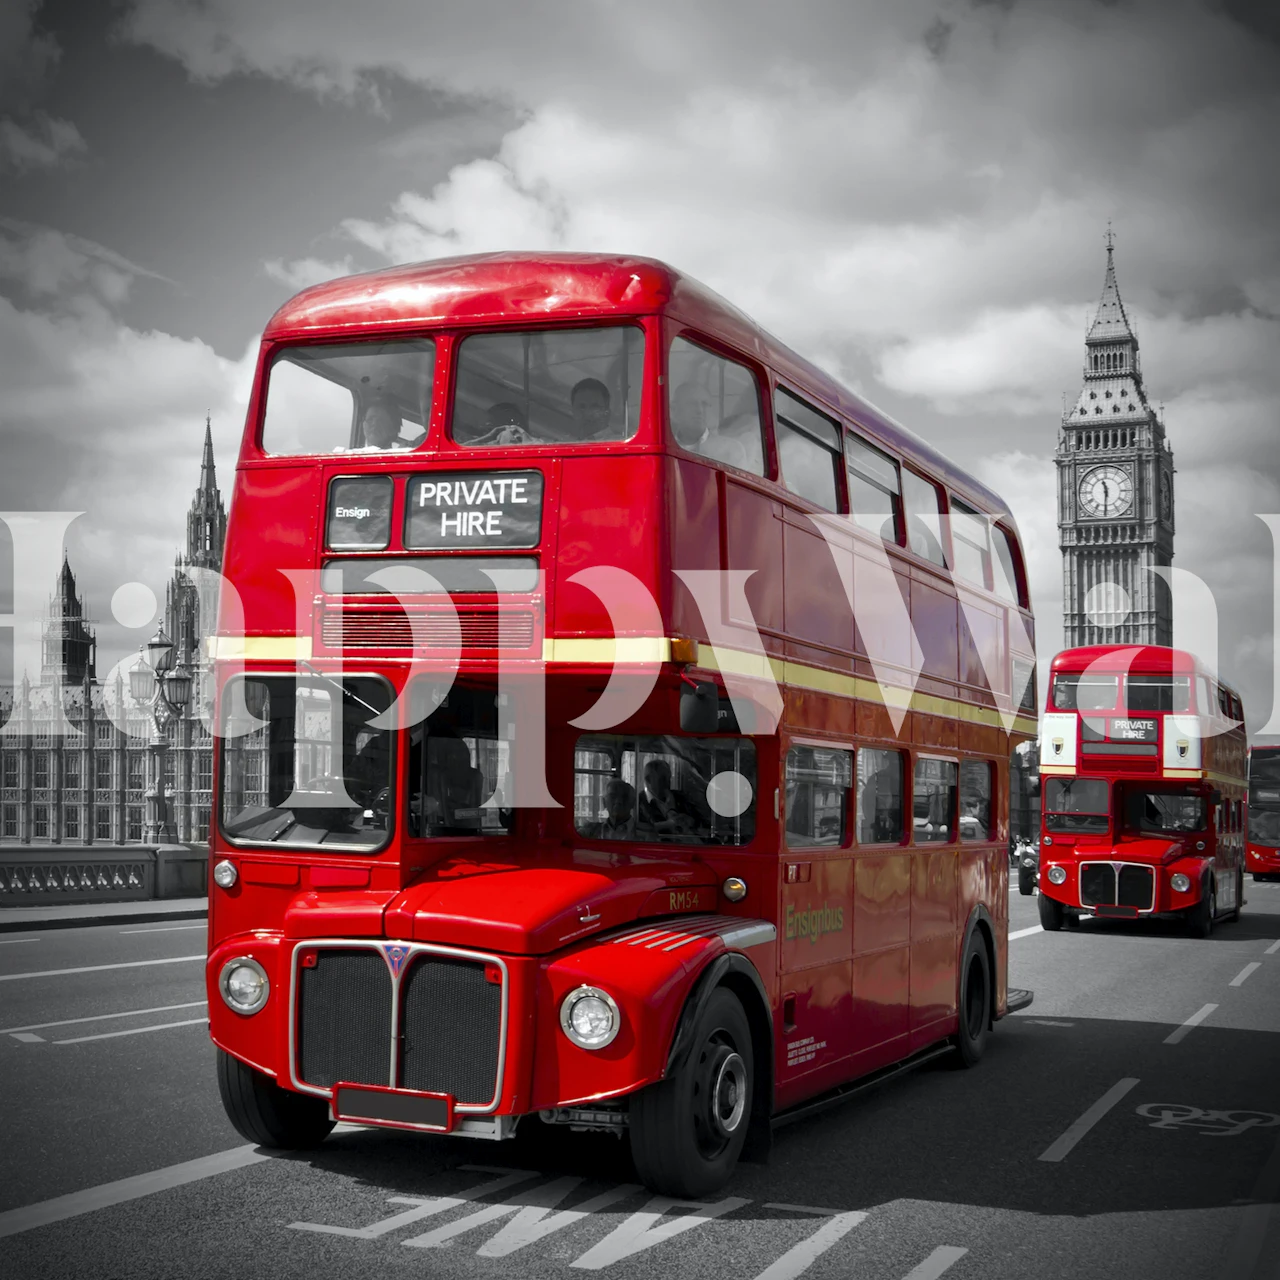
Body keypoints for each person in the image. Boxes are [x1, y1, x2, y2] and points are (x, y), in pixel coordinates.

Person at [638, 758, 700, 835]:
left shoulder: (680, 796)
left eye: (669, 779)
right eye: (662, 779)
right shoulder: (639, 802)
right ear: (648, 780)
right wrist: (668, 824)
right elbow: (640, 830)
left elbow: (700, 821)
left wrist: (691, 821)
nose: (668, 783)